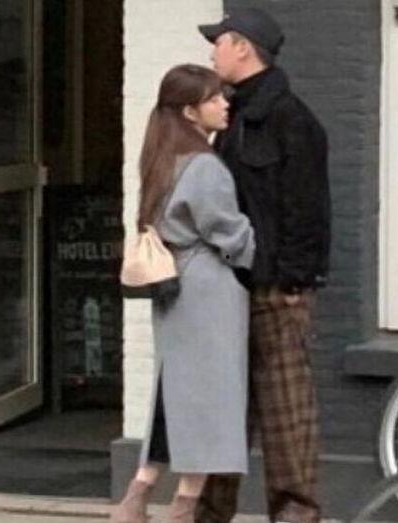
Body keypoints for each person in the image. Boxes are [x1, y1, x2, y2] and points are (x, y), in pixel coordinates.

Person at [196, 8, 331, 523]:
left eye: (219, 42)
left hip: (275, 291)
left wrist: (292, 283)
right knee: (222, 413)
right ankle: (209, 514)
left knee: (286, 418)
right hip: (230, 290)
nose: (212, 53)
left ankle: (295, 517)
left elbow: (309, 210)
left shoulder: (292, 120)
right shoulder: (229, 117)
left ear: (243, 47)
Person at [111, 64, 255, 523]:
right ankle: (184, 507)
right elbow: (228, 233)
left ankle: (136, 496)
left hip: (173, 287)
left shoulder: (160, 158)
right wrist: (254, 250)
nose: (225, 104)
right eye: (214, 99)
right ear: (191, 111)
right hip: (207, 290)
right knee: (211, 398)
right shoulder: (205, 166)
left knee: (174, 392)